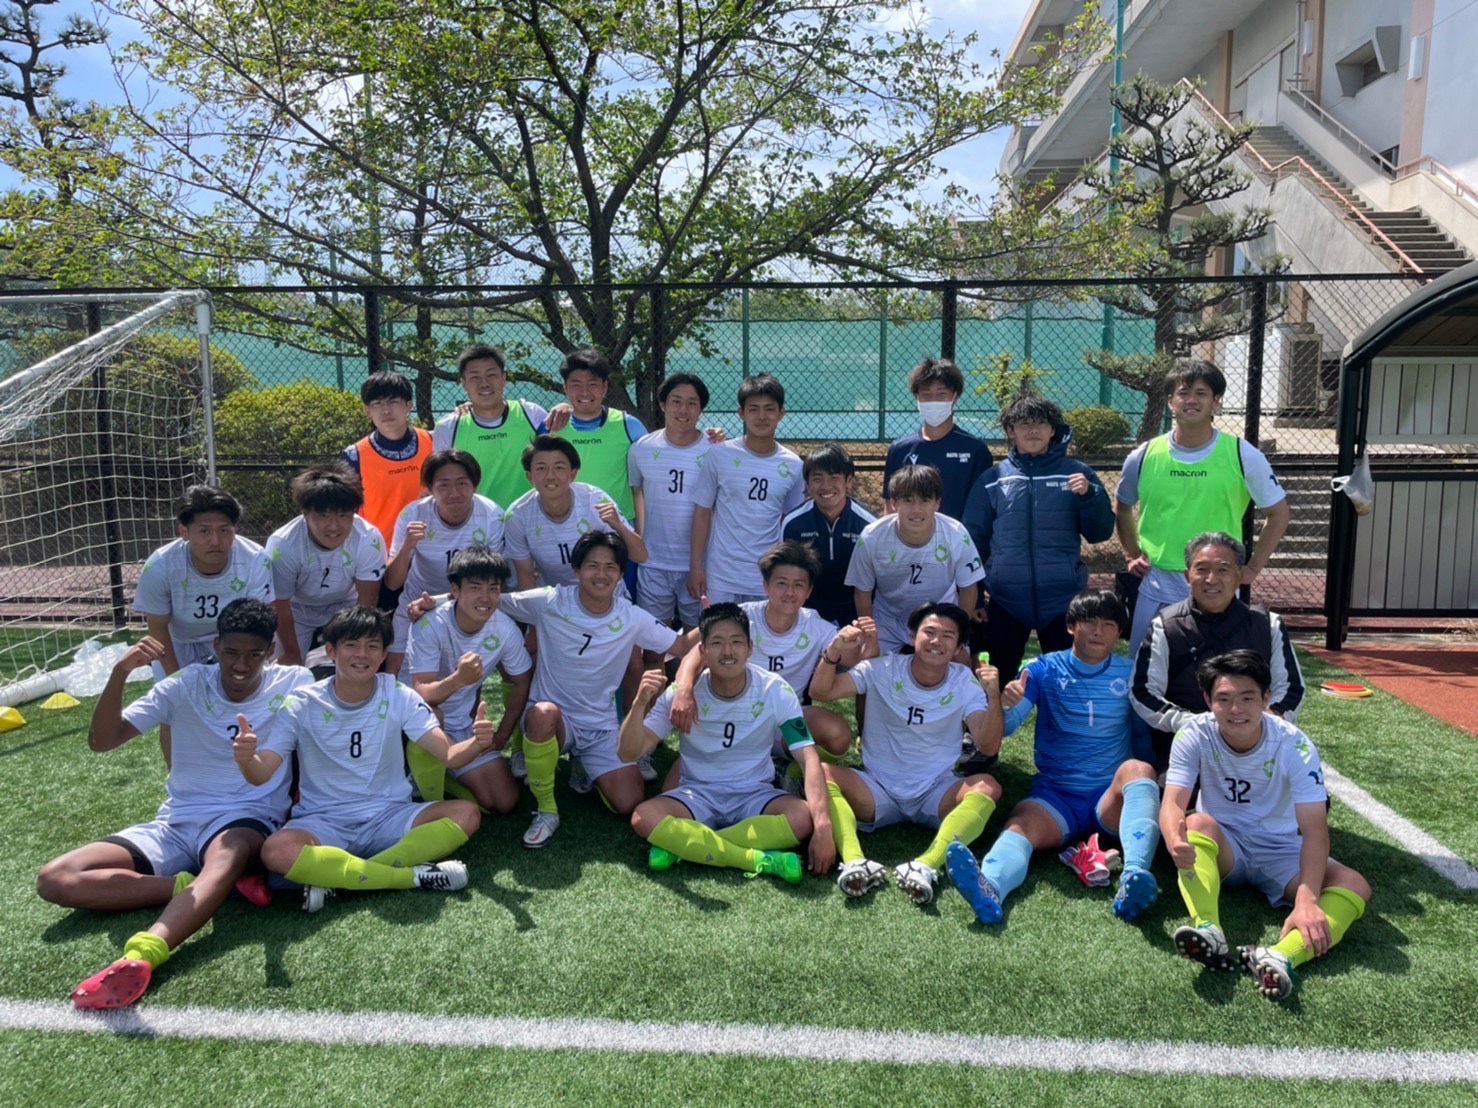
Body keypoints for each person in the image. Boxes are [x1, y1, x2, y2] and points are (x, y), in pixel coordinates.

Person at [42, 600, 311, 1009]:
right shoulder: (184, 685)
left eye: (254, 654)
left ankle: (142, 955)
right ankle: (202, 888)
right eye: (231, 652)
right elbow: (102, 741)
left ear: (270, 651)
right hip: (176, 820)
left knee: (227, 853)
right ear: (216, 645)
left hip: (248, 818)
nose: (241, 665)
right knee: (56, 879)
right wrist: (120, 673)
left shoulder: (294, 683)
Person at [232, 606, 489, 913]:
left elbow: (450, 756)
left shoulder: (398, 694)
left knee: (466, 814)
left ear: (383, 655)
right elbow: (261, 774)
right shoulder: (301, 703)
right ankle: (409, 877)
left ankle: (340, 877)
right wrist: (247, 759)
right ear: (331, 651)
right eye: (351, 645)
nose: (362, 654)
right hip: (324, 821)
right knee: (276, 851)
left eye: (372, 646)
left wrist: (476, 743)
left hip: (389, 815)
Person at [942, 591, 1163, 926]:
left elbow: (1141, 734)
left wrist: (1150, 785)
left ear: (1119, 632)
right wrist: (1002, 701)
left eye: (1108, 625)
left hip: (1109, 798)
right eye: (1089, 622)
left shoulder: (1131, 673)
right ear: (1071, 626)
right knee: (1019, 826)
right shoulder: (1042, 668)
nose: (1098, 631)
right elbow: (1008, 727)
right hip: (1056, 795)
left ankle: (1133, 877)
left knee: (1139, 769)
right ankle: (989, 888)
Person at [1161, 650, 1370, 1002]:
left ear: (1266, 699)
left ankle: (1280, 956)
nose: (1235, 709)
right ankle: (1209, 929)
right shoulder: (1193, 733)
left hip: (1279, 849)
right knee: (1195, 822)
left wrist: (1307, 900)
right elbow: (1172, 804)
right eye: (1223, 699)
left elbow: (1315, 831)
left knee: (1355, 884)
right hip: (1224, 847)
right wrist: (1173, 839)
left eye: (1247, 698)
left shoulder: (1294, 744)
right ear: (1208, 701)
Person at [497, 531, 697, 848]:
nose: (601, 574)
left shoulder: (631, 616)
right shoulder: (549, 601)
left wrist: (721, 618)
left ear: (620, 574)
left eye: (610, 567)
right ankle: (547, 810)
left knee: (629, 802)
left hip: (599, 726)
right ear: (577, 570)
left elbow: (682, 645)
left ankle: (584, 764)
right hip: (554, 721)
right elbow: (492, 600)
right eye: (592, 565)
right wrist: (429, 604)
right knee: (542, 714)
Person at [619, 603, 831, 883]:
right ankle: (753, 859)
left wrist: (823, 826)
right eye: (717, 643)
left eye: (736, 642)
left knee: (802, 817)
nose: (728, 651)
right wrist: (638, 704)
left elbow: (808, 757)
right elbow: (629, 753)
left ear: (750, 648)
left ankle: (689, 846)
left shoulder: (775, 690)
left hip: (754, 794)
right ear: (703, 651)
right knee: (643, 817)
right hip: (697, 794)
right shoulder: (681, 695)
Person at [808, 603, 1004, 905]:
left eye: (948, 636)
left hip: (935, 790)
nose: (936, 641)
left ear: (958, 648)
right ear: (913, 636)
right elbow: (821, 692)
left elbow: (988, 745)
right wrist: (834, 650)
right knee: (821, 772)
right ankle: (854, 860)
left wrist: (993, 696)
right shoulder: (881, 668)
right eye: (929, 632)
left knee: (988, 786)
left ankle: (926, 864)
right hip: (876, 788)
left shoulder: (964, 682)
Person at [1115, 359, 1289, 657]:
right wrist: (1132, 555)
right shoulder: (1143, 455)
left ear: (1216, 402)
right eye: (1183, 393)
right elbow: (1122, 507)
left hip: (1216, 584)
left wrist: (1253, 567)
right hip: (1156, 583)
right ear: (1170, 401)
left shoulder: (1243, 454)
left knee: (1220, 672)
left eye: (1201, 393)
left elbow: (1279, 513)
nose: (1191, 400)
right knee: (1144, 671)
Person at [962, 392, 1115, 684]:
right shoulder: (993, 479)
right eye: (1024, 424)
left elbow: (1100, 533)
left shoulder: (1077, 474)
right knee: (997, 683)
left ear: (1052, 429)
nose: (1033, 431)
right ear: (1011, 431)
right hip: (1005, 601)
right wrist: (976, 595)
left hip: (1063, 601)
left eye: (1041, 424)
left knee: (1065, 686)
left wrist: (1091, 497)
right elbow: (973, 542)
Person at [668, 541, 863, 765]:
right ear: (765, 586)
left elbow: (854, 659)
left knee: (837, 734)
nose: (789, 592)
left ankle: (792, 770)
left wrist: (860, 638)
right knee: (691, 770)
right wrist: (684, 691)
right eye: (781, 583)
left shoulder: (816, 625)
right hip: (734, 714)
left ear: (809, 591)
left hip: (785, 719)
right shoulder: (741, 617)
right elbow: (693, 653)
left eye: (798, 585)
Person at [1131, 531, 1306, 773]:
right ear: (1187, 576)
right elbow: (1143, 691)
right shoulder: (1166, 625)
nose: (1211, 579)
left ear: (1239, 575)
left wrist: (1265, 720)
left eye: (1223, 570)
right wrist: (1196, 724)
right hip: (1186, 748)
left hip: (1256, 748)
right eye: (1202, 569)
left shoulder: (1268, 624)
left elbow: (1291, 688)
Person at [133, 484, 274, 766]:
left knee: (251, 702)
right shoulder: (160, 565)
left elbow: (258, 622)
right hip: (178, 642)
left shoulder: (255, 559)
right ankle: (177, 778)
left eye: (225, 530)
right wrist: (178, 682)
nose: (215, 540)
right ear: (184, 532)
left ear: (235, 530)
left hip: (234, 642)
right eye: (204, 531)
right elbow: (157, 629)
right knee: (173, 708)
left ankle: (251, 773)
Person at [407, 548, 533, 814]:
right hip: (416, 719)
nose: (485, 597)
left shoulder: (504, 628)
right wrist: (458, 680)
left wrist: (502, 736)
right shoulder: (429, 624)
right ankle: (425, 784)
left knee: (504, 802)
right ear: (455, 590)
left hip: (461, 723)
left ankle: (443, 774)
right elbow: (421, 695)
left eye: (493, 588)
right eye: (475, 587)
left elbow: (522, 682)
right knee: (433, 713)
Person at [384, 449, 506, 675]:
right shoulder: (412, 514)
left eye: (462, 483)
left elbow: (495, 580)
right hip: (414, 605)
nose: (454, 493)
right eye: (444, 485)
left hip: (467, 607)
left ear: (475, 485)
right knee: (395, 672)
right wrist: (406, 547)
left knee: (467, 673)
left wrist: (438, 602)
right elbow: (392, 582)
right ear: (429, 489)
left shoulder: (492, 516)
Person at [689, 373, 805, 606]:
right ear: (741, 413)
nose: (761, 416)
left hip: (766, 576)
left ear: (781, 413)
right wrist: (696, 567)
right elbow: (702, 512)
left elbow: (790, 520)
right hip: (721, 575)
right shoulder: (719, 454)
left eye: (769, 409)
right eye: (753, 409)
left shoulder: (794, 465)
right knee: (717, 629)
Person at [845, 464, 984, 655]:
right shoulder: (871, 537)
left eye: (925, 500)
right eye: (908, 500)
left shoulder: (957, 534)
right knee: (867, 667)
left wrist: (960, 636)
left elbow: (969, 589)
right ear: (894, 503)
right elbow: (862, 592)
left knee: (960, 668)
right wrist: (870, 637)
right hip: (888, 620)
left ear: (937, 503)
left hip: (942, 618)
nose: (916, 510)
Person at [265, 464, 386, 668]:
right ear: (305, 512)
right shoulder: (283, 545)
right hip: (296, 609)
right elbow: (279, 605)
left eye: (343, 515)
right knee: (283, 668)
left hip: (347, 605)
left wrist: (351, 645)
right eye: (323, 515)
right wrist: (292, 652)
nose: (334, 526)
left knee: (354, 662)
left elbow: (367, 601)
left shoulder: (369, 539)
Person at [504, 435, 647, 591]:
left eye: (559, 468)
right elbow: (525, 574)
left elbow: (640, 556)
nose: (550, 476)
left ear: (573, 474)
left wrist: (619, 526)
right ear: (529, 476)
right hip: (554, 597)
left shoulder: (595, 500)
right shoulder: (517, 515)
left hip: (604, 594)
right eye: (541, 468)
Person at [628, 373, 713, 632]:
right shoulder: (640, 449)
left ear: (701, 409)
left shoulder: (716, 450)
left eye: (692, 403)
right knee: (653, 641)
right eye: (676, 401)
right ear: (663, 404)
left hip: (700, 566)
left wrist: (698, 565)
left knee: (699, 640)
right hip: (654, 563)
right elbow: (637, 497)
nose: (683, 410)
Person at [431, 343, 549, 512]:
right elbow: (441, 479)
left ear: (504, 378)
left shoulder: (531, 414)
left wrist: (565, 407)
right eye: (475, 377)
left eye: (491, 375)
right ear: (463, 383)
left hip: (528, 517)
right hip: (476, 520)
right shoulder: (448, 427)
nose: (484, 383)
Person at [341, 370, 434, 575]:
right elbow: (345, 512)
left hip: (430, 552)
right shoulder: (354, 455)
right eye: (377, 403)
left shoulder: (433, 441)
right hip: (378, 556)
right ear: (367, 410)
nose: (385, 410)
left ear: (409, 405)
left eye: (393, 402)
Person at [882, 357, 992, 521]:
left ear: (955, 398)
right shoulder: (899, 449)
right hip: (912, 535)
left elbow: (983, 506)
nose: (933, 401)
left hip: (959, 536)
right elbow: (890, 505)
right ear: (916, 398)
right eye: (926, 395)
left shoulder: (975, 449)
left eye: (941, 394)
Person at [542, 347, 646, 520]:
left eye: (592, 384)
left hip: (617, 524)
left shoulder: (628, 425)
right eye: (576, 385)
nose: (584, 392)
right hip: (565, 524)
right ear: (565, 388)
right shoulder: (550, 426)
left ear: (605, 387)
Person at [781, 443, 876, 629]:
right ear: (807, 483)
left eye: (834, 477)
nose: (826, 486)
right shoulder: (794, 523)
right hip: (809, 610)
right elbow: (789, 574)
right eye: (817, 478)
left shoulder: (869, 524)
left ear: (849, 481)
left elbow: (874, 581)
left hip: (855, 609)